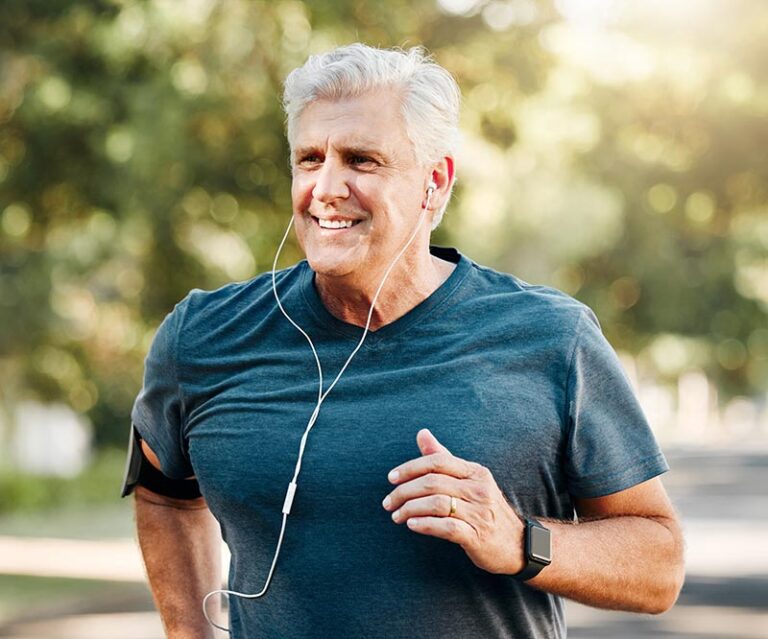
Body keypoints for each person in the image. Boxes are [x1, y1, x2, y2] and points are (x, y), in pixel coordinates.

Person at [122, 44, 685, 639]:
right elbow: (163, 495)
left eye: (362, 160)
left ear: (434, 183)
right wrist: (190, 633)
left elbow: (659, 565)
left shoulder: (551, 337)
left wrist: (519, 540)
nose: (326, 188)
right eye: (310, 159)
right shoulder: (205, 336)